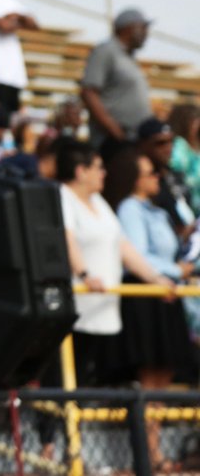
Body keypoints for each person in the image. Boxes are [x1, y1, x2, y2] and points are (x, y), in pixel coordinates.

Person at [106, 148, 197, 467]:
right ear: (135, 178)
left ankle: (153, 450)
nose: (157, 177)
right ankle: (148, 453)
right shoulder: (130, 208)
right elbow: (137, 254)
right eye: (150, 173)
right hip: (147, 295)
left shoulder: (155, 210)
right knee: (150, 376)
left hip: (165, 292)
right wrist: (176, 271)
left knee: (163, 375)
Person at [56, 141, 173, 388]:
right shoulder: (63, 197)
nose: (104, 173)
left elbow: (123, 245)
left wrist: (156, 278)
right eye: (98, 167)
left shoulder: (98, 201)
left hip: (105, 306)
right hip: (78, 306)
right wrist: (85, 274)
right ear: (81, 171)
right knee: (71, 376)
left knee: (94, 378)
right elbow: (67, 239)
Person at [81, 8, 153, 152]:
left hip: (130, 139)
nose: (146, 33)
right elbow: (89, 93)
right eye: (143, 27)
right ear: (128, 27)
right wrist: (116, 132)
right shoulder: (106, 51)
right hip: (112, 142)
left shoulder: (128, 56)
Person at [168, 102, 200, 215]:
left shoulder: (195, 146)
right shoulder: (179, 146)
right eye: (193, 121)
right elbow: (179, 175)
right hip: (187, 205)